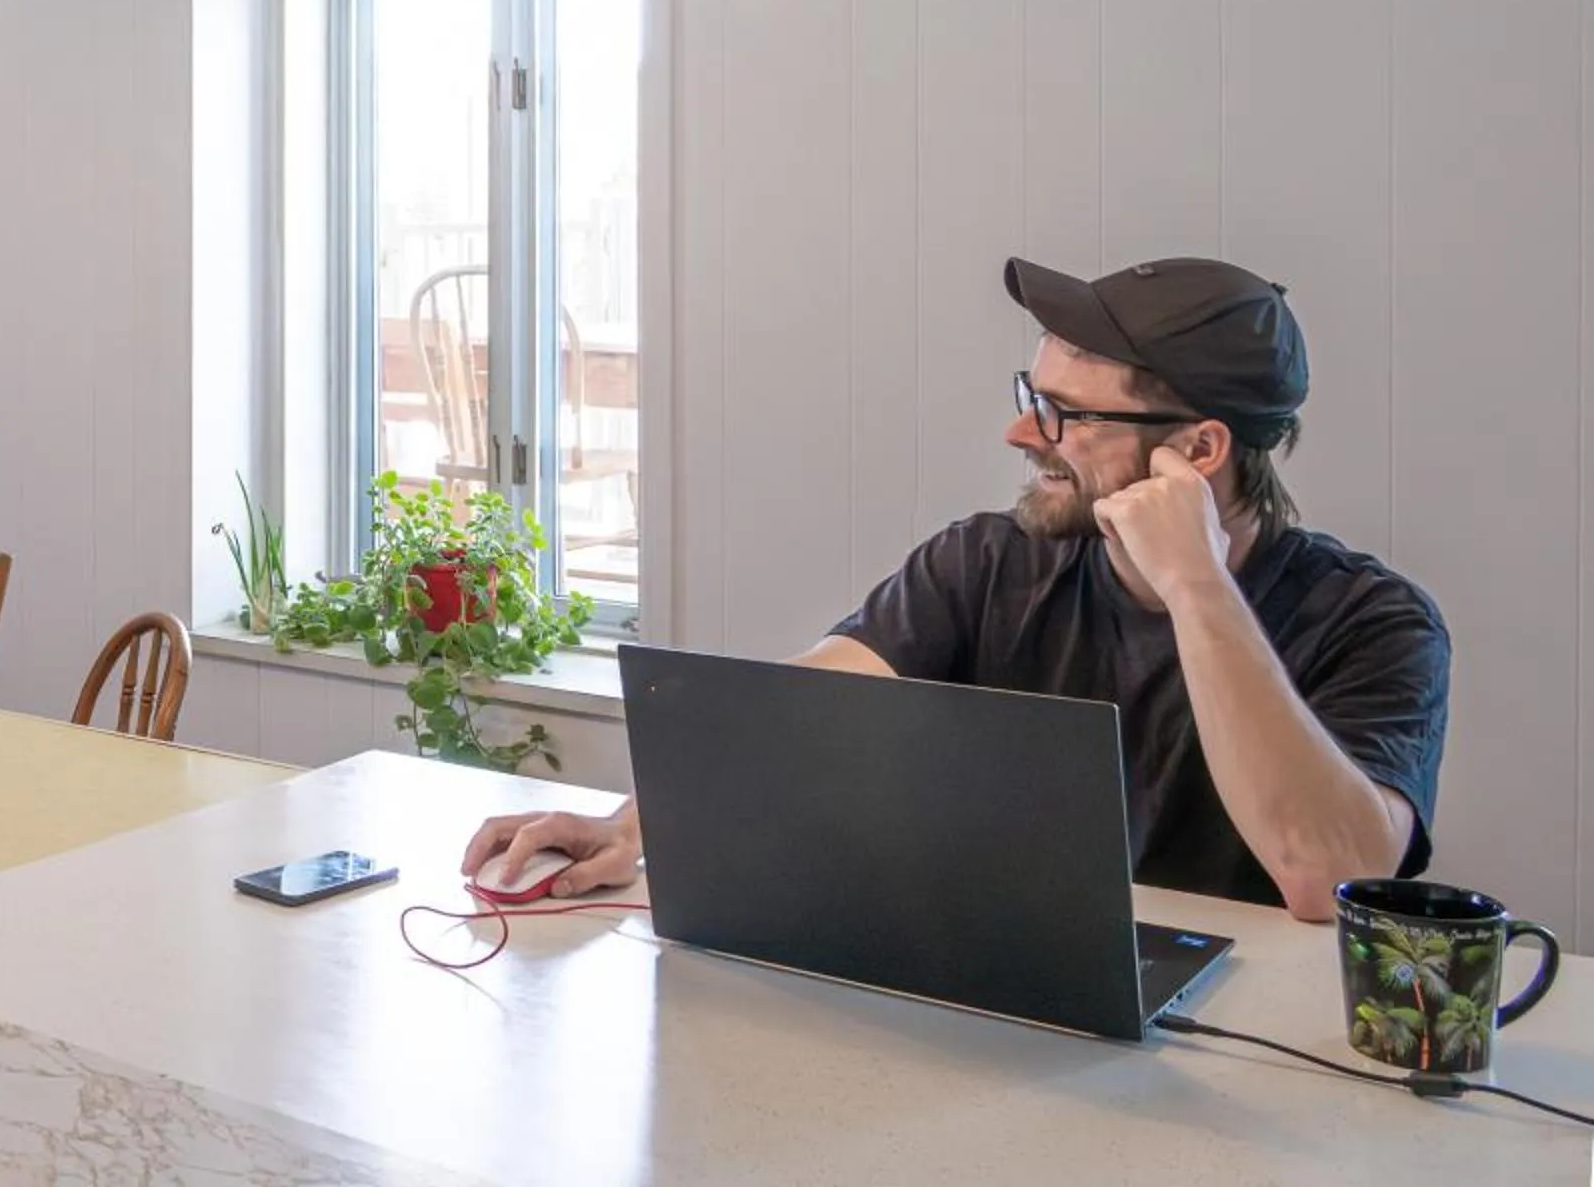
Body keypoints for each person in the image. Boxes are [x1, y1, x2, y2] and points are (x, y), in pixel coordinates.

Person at [466, 257, 1449, 922]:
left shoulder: (1375, 622)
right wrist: (633, 823)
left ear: (1198, 450)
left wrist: (1195, 584)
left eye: (1063, 414)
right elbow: (798, 712)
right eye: (1032, 399)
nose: (1024, 436)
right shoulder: (987, 561)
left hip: (1257, 1066)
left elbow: (1328, 874)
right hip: (1010, 1015)